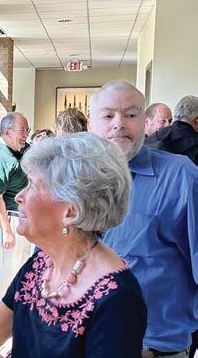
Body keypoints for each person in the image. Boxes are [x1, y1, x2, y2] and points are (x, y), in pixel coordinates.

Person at [0, 133, 147, 358]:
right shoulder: (40, 265)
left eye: (32, 185)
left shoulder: (118, 298)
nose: (19, 196)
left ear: (70, 212)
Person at [89, 81, 197, 358]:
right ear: (91, 125)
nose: (119, 123)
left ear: (145, 122)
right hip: (82, 342)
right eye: (108, 115)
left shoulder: (180, 178)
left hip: (151, 348)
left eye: (130, 114)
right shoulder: (70, 180)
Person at [0, 112, 31, 300]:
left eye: (27, 130)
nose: (26, 135)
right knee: (9, 281)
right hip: (8, 221)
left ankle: (17, 318)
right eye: (22, 130)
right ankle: (7, 320)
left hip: (18, 221)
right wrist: (7, 231)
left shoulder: (14, 154)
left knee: (20, 279)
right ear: (8, 132)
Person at [145, 95, 198, 164]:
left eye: (170, 121)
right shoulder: (194, 143)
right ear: (197, 120)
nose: (167, 124)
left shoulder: (152, 139)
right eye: (163, 120)